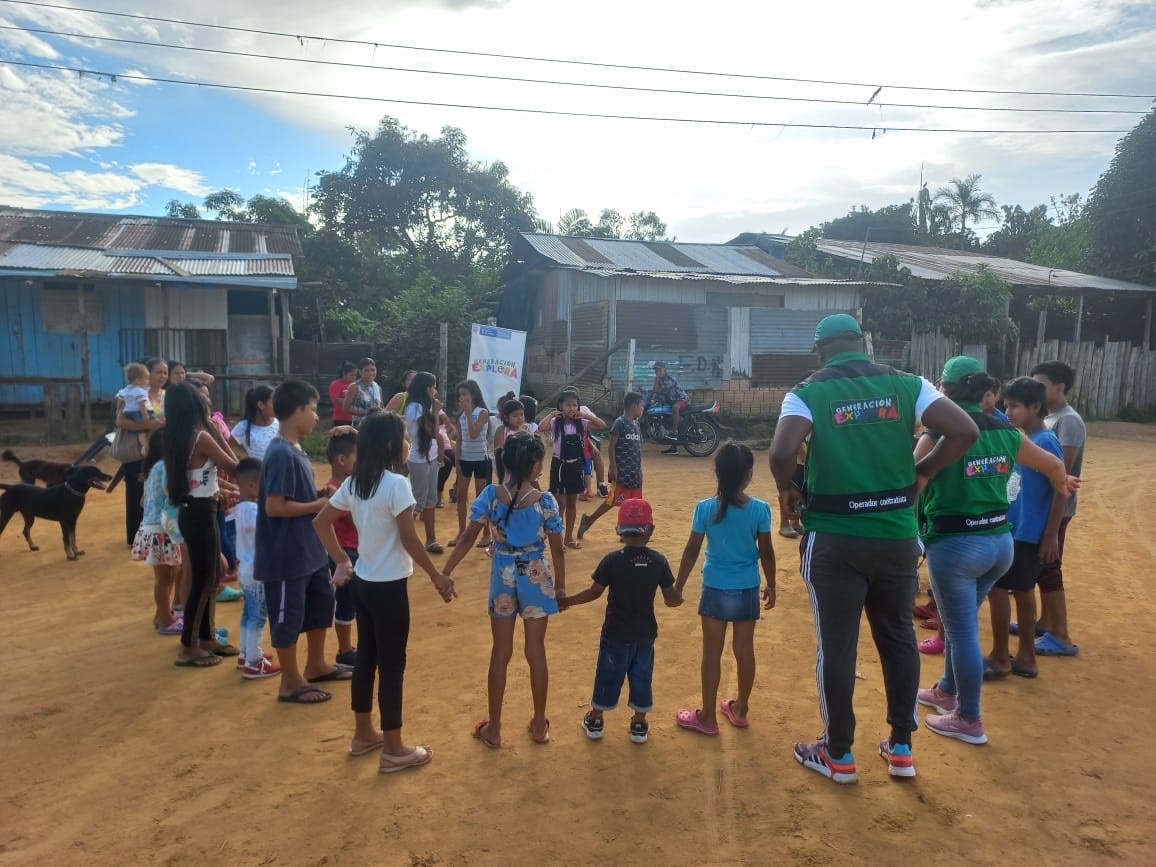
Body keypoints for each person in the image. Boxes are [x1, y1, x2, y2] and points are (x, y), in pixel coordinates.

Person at [769, 314, 980, 783]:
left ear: (820, 350)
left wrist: (789, 489)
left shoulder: (807, 392)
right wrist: (922, 470)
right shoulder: (909, 384)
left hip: (835, 539)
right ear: (862, 343)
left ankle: (838, 753)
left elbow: (782, 453)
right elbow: (965, 430)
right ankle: (901, 747)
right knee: (898, 638)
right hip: (897, 536)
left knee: (837, 647)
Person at [915, 357, 1077, 747]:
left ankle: (969, 717)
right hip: (999, 543)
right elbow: (1054, 465)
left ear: (947, 390)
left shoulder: (939, 433)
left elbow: (912, 482)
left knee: (961, 629)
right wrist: (1061, 482)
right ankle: (947, 691)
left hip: (955, 544)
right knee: (962, 621)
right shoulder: (1006, 430)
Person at [314, 411, 456, 773]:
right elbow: (410, 539)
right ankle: (394, 748)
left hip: (364, 583)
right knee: (392, 666)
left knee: (368, 659)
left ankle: (364, 734)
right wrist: (436, 575)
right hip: (389, 588)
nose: (408, 442)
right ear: (392, 444)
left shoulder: (356, 482)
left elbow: (321, 522)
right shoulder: (395, 484)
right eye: (404, 436)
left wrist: (342, 560)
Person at [442, 432, 566, 748]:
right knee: (536, 652)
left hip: (503, 575)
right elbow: (558, 549)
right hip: (536, 575)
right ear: (536, 464)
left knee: (501, 652)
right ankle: (539, 724)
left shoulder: (490, 495)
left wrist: (445, 572)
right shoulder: (546, 501)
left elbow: (468, 537)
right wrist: (561, 588)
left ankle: (495, 728)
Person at [255, 379, 351, 703]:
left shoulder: (294, 448)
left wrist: (320, 494)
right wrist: (318, 505)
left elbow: (297, 497)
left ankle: (316, 664)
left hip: (307, 550)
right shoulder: (280, 452)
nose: (315, 416)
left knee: (320, 603)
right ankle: (290, 681)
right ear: (297, 411)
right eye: (312, 410)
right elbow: (274, 505)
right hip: (285, 555)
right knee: (289, 615)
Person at [673, 442, 776, 735]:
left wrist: (678, 586)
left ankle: (707, 717)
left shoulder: (705, 508)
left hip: (715, 587)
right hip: (747, 587)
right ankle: (741, 708)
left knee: (711, 653)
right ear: (749, 474)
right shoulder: (760, 509)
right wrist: (772, 585)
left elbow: (692, 550)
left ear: (717, 471)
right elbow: (766, 552)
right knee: (744, 650)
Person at [561, 498, 683, 744]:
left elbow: (594, 592)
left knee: (608, 674)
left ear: (619, 530)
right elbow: (671, 597)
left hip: (616, 632)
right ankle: (639, 724)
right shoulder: (659, 561)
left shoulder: (612, 561)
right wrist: (677, 599)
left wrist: (568, 601)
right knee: (641, 676)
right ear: (650, 530)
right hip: (645, 633)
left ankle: (596, 719)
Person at [984, 377, 1068, 679]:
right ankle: (1022, 655)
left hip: (1027, 533)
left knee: (1006, 590)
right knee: (1014, 590)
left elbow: (1060, 488)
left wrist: (1050, 535)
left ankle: (1012, 656)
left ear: (1035, 406)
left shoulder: (1045, 442)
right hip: (1013, 529)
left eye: (1015, 406)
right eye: (1006, 406)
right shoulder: (1021, 439)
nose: (1008, 412)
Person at [165, 382, 240, 667]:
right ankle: (188, 645)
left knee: (210, 576)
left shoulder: (176, 436)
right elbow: (233, 465)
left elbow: (200, 478)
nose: (209, 409)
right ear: (195, 408)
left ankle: (206, 636)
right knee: (205, 578)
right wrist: (213, 430)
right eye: (204, 405)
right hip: (199, 512)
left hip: (196, 508)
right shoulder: (201, 437)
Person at [1030, 360, 1086, 657]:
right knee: (1040, 566)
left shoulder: (1069, 421)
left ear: (1059, 387)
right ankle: (1045, 621)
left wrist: (1051, 531)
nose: (1036, 390)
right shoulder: (1050, 417)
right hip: (1041, 507)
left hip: (1056, 509)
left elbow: (1060, 475)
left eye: (1041, 385)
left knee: (1050, 566)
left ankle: (1061, 636)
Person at [233, 457, 280, 679]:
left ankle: (245, 653)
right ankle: (254, 660)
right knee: (258, 617)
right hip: (257, 571)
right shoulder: (253, 510)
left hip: (246, 570)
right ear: (252, 485)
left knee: (248, 613)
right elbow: (267, 530)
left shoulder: (240, 508)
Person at [132, 427, 182, 635]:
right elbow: (172, 493)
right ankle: (164, 618)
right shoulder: (166, 467)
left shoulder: (152, 468)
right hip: (162, 529)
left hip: (151, 527)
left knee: (164, 576)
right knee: (165, 578)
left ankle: (162, 613)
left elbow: (144, 501)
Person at [541, 390, 605, 549]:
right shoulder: (556, 423)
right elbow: (541, 427)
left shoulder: (581, 423)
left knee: (571, 503)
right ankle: (559, 537)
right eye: (567, 405)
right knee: (560, 504)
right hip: (559, 466)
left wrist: (586, 416)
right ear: (560, 406)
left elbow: (602, 425)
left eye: (574, 405)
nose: (571, 408)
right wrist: (552, 415)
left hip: (575, 466)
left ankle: (568, 538)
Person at [577, 391, 644, 540]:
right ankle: (588, 520)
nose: (642, 408)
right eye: (641, 405)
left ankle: (626, 530)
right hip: (622, 472)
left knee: (632, 503)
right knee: (612, 501)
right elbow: (611, 446)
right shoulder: (620, 422)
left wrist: (639, 470)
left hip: (634, 472)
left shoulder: (636, 424)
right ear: (633, 406)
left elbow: (637, 450)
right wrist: (613, 467)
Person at [116, 357, 167, 545]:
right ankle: (135, 537)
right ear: (146, 375)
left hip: (160, 451)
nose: (162, 376)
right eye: (158, 372)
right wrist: (149, 425)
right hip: (137, 451)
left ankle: (156, 534)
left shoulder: (166, 396)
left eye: (165, 372)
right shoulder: (131, 393)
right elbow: (119, 421)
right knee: (136, 492)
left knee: (157, 491)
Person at [325, 426, 361, 668]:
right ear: (342, 460)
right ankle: (345, 651)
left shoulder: (344, 486)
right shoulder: (336, 489)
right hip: (344, 551)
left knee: (351, 601)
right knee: (346, 602)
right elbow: (351, 519)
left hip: (350, 548)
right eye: (358, 457)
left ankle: (347, 648)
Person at [403, 372, 446, 554]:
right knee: (416, 503)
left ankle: (431, 539)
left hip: (430, 457)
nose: (435, 390)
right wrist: (435, 411)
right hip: (419, 460)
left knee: (430, 501)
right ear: (426, 388)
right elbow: (432, 432)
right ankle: (402, 541)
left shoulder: (423, 406)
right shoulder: (415, 407)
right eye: (433, 387)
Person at [450, 380, 494, 550]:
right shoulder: (460, 415)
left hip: (481, 459)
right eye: (460, 395)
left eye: (465, 394)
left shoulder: (482, 412)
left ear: (473, 395)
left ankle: (486, 533)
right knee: (461, 495)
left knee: (481, 497)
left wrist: (468, 414)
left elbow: (474, 434)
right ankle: (462, 531)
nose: (462, 397)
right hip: (465, 459)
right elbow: (460, 438)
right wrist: (457, 460)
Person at [230, 385, 279, 460]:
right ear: (261, 405)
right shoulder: (243, 427)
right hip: (258, 471)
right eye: (274, 402)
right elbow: (228, 448)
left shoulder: (280, 423)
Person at [118, 362, 156, 454]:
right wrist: (145, 415)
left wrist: (118, 410)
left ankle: (145, 447)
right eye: (146, 379)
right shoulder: (140, 391)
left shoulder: (125, 390)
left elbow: (120, 400)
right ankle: (149, 446)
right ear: (138, 380)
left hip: (129, 413)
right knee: (155, 425)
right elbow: (141, 404)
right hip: (140, 412)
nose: (148, 381)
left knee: (140, 432)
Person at [652, 361, 690, 454]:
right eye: (656, 370)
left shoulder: (670, 378)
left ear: (665, 370)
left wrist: (656, 393)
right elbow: (655, 391)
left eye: (660, 370)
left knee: (675, 408)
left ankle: (673, 433)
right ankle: (673, 448)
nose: (658, 372)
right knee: (668, 419)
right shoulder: (659, 380)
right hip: (672, 401)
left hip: (682, 400)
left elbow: (663, 390)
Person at [343, 357, 383, 427]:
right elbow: (346, 408)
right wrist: (367, 412)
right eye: (366, 370)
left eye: (373, 370)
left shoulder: (377, 387)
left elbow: (381, 406)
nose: (371, 373)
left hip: (376, 425)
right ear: (360, 371)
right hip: (360, 426)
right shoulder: (354, 386)